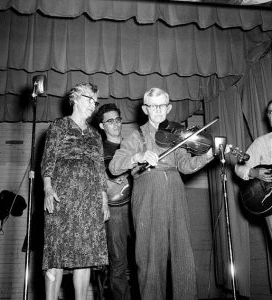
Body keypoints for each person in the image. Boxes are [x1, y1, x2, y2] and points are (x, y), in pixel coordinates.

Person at [109, 87, 214, 300]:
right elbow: (114, 166)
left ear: (169, 107)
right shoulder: (135, 136)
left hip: (175, 194)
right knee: (150, 257)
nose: (158, 111)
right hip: (148, 197)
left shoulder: (177, 135)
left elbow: (185, 166)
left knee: (182, 253)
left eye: (162, 106)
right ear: (145, 109)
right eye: (153, 106)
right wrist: (137, 156)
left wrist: (208, 156)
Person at [41, 83, 110, 300]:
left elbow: (100, 168)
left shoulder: (95, 135)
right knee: (56, 253)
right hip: (62, 198)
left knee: (85, 256)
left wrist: (104, 200)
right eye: (90, 99)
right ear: (75, 98)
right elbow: (48, 159)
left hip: (89, 201)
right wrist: (47, 189)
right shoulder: (58, 126)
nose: (93, 104)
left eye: (95, 101)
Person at [95, 103, 133, 300]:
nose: (116, 124)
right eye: (110, 121)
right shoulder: (97, 150)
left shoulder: (131, 145)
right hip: (115, 210)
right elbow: (93, 179)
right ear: (102, 126)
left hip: (138, 205)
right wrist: (108, 178)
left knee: (144, 257)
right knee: (118, 262)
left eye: (118, 119)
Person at [235, 100, 272, 238]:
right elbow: (239, 167)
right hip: (268, 201)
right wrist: (253, 172)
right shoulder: (261, 142)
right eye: (270, 112)